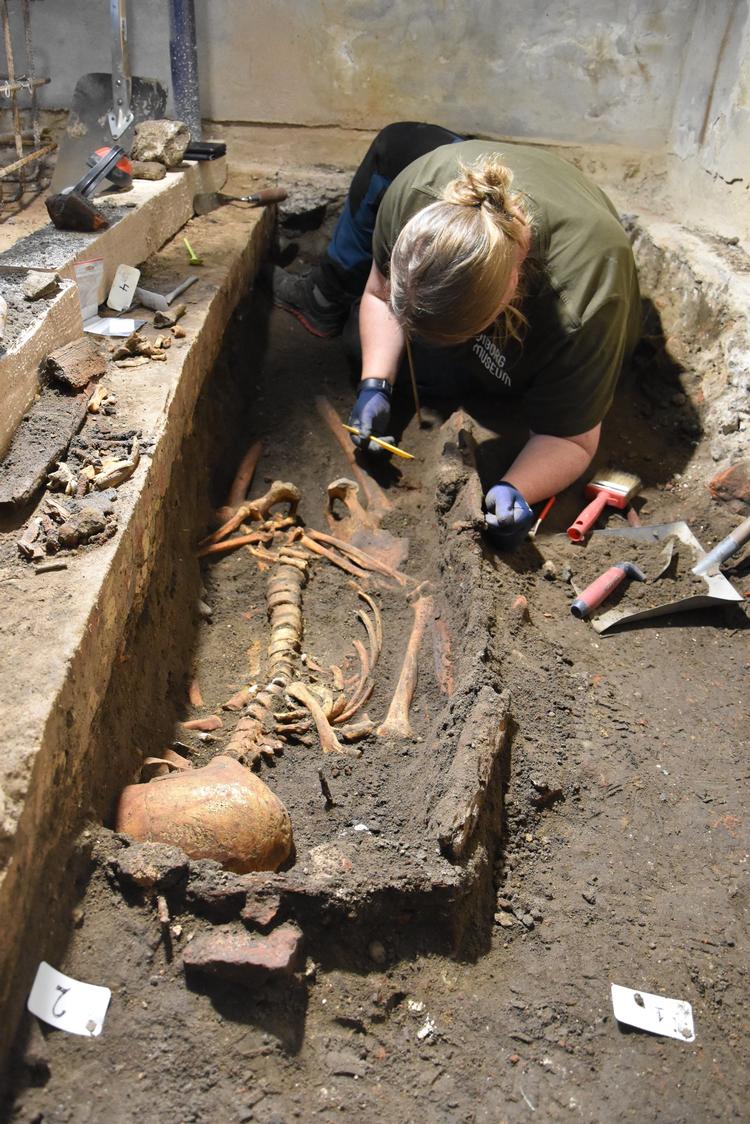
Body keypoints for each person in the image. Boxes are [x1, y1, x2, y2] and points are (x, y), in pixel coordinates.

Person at [269, 122, 641, 548]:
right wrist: (376, 384)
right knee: (360, 344)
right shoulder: (416, 196)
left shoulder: (584, 302)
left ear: (511, 296)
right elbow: (376, 294)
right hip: (464, 209)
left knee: (485, 391)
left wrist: (516, 488)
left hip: (573, 281)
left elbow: (571, 438)